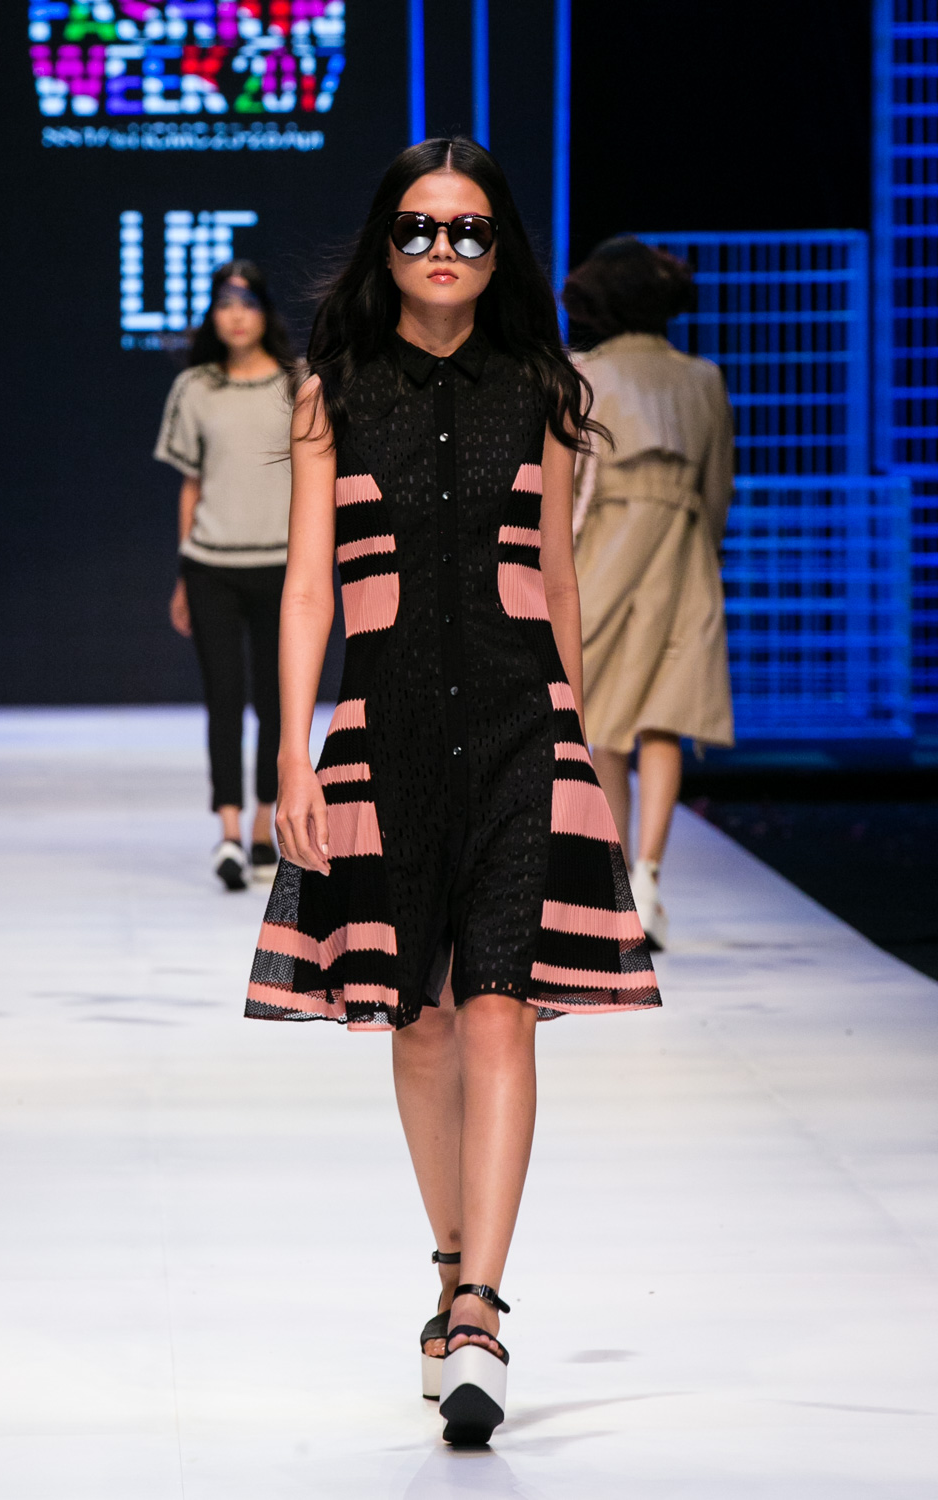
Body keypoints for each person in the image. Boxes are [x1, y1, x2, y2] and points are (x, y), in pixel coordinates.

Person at [243, 138, 660, 1446]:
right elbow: (307, 587)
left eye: (470, 231)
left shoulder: (542, 386)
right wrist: (293, 755)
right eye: (421, 228)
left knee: (500, 1009)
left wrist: (577, 741)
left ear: (500, 249)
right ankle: (449, 1268)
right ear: (387, 242)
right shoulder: (332, 391)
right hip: (385, 738)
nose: (444, 250)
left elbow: (559, 581)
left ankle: (479, 1307)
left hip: (522, 731)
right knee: (417, 1019)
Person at [563, 237, 735, 950]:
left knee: (606, 720)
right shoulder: (703, 378)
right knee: (667, 716)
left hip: (605, 551)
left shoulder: (584, 374)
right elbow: (718, 487)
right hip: (684, 553)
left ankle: (614, 886)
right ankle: (650, 874)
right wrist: (703, 551)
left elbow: (571, 482)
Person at [155, 260, 296, 890]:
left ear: (266, 311)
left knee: (275, 701)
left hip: (282, 564)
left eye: (247, 302)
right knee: (223, 698)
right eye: (224, 304)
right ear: (212, 316)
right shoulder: (195, 388)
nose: (236, 315)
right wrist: (183, 574)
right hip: (211, 564)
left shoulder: (297, 384)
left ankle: (265, 826)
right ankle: (230, 834)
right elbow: (191, 485)